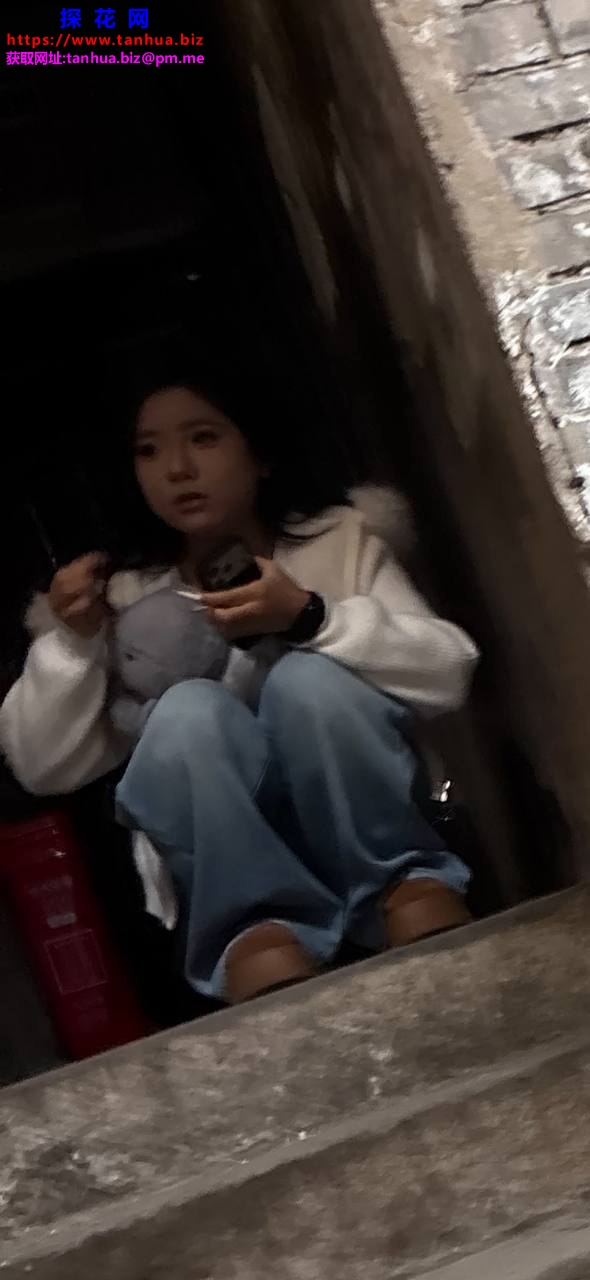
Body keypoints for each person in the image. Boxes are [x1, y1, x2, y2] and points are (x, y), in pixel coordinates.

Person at [0, 374, 479, 1004]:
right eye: (149, 450)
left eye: (203, 438)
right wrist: (73, 643)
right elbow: (40, 766)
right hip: (234, 873)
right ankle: (256, 929)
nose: (177, 469)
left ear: (260, 453)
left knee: (308, 680)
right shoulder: (124, 599)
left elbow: (450, 671)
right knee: (188, 712)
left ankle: (404, 883)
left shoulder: (340, 541)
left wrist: (310, 618)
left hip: (373, 829)